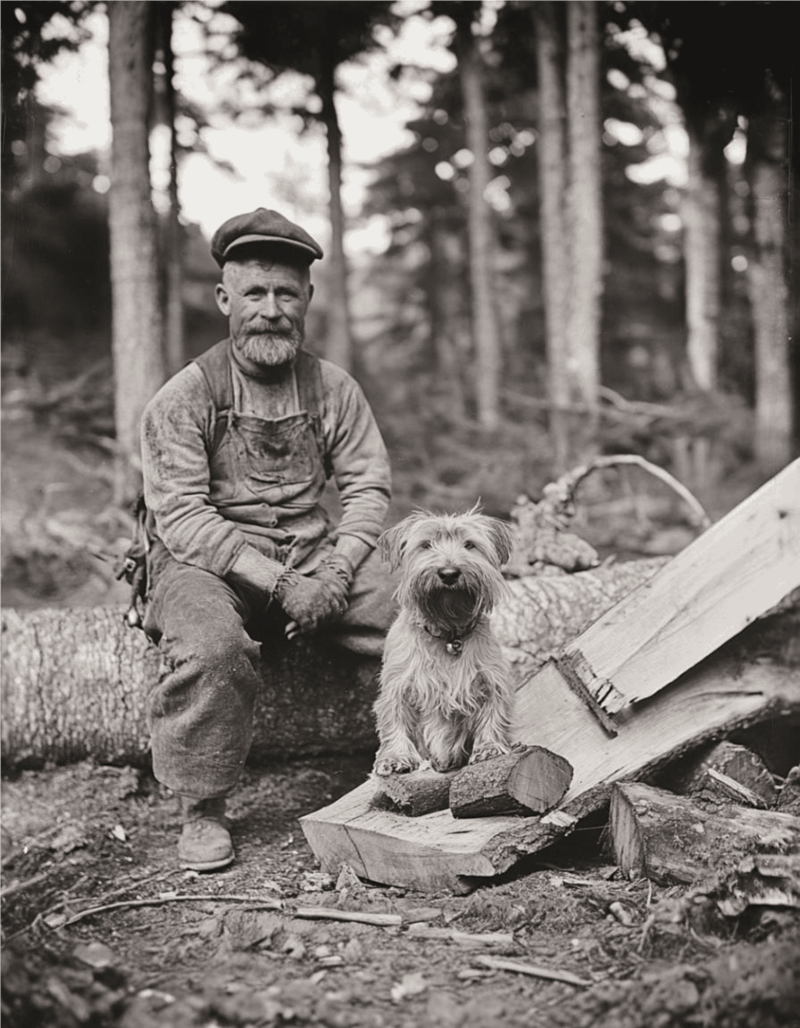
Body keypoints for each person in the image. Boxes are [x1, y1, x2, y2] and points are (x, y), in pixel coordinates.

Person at [140, 208, 396, 871]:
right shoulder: (184, 396)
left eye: (287, 293)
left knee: (418, 610)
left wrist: (337, 574)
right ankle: (203, 805)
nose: (272, 310)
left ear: (308, 297)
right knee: (211, 644)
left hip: (313, 556)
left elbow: (368, 487)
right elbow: (184, 517)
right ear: (225, 298)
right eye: (255, 293)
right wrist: (284, 586)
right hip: (204, 564)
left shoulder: (334, 388)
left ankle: (428, 758)